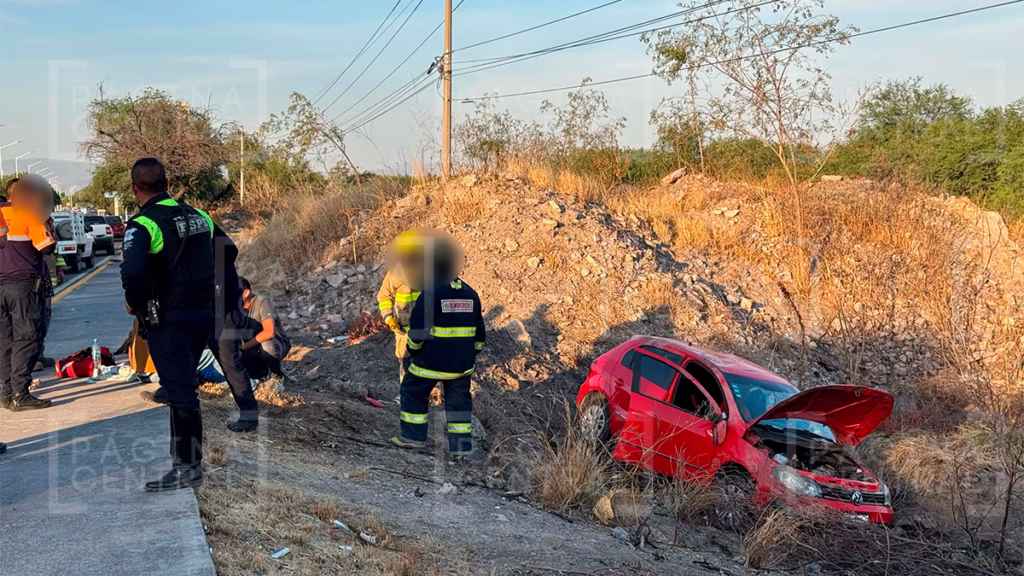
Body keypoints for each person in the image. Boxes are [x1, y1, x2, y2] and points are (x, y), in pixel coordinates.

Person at [120, 158, 215, 492]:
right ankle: (187, 463)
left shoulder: (144, 224)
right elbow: (223, 253)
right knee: (184, 385)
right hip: (202, 313)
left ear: (135, 189)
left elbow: (133, 272)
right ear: (166, 181)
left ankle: (188, 468)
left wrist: (135, 301)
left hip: (169, 318)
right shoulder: (200, 215)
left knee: (180, 393)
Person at [140, 224, 260, 433]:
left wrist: (215, 277)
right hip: (202, 304)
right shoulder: (192, 224)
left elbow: (229, 250)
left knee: (229, 361)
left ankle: (249, 414)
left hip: (219, 304)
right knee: (189, 352)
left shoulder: (191, 223)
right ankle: (171, 390)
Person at [390, 229, 486, 458]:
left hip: (429, 363)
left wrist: (413, 353)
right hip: (461, 367)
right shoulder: (471, 294)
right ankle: (461, 448)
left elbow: (418, 333)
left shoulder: (430, 293)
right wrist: (469, 355)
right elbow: (480, 337)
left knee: (412, 391)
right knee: (459, 404)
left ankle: (413, 438)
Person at [0, 175, 56, 411]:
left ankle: (5, 393)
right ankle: (20, 394)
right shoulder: (29, 214)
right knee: (28, 338)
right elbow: (48, 247)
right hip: (22, 286)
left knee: (4, 341)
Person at [377, 237, 420, 383]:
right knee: (406, 363)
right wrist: (389, 317)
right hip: (404, 331)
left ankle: (439, 396)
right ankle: (408, 397)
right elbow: (384, 296)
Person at [237, 276, 291, 383]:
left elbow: (269, 332)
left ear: (246, 292)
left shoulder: (262, 302)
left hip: (276, 342)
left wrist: (243, 348)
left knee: (267, 346)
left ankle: (277, 376)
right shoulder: (235, 308)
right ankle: (263, 373)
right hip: (252, 347)